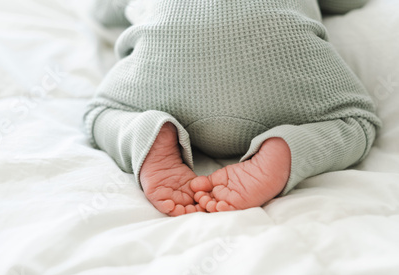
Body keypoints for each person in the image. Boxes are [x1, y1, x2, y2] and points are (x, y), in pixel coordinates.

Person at [84, 0, 380, 216]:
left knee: (101, 114)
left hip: (166, 66)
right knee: (356, 123)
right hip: (280, 58)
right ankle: (288, 150)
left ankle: (145, 136)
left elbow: (102, 11)